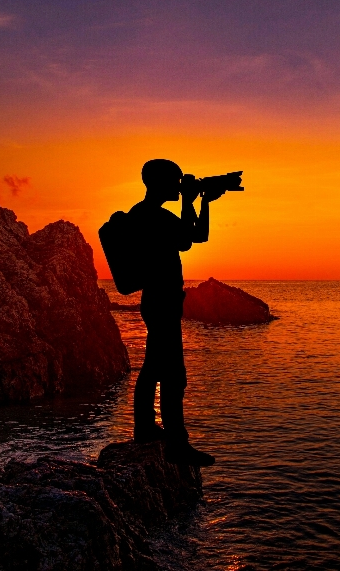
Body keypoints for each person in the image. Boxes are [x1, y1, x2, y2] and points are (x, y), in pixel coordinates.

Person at [129, 159, 225, 467]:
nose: (179, 185)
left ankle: (145, 429)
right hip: (161, 302)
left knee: (153, 367)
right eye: (176, 181)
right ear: (159, 183)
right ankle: (176, 444)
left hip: (160, 302)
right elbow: (187, 239)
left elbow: (198, 237)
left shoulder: (147, 214)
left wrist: (204, 203)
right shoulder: (150, 216)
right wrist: (189, 201)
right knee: (174, 375)